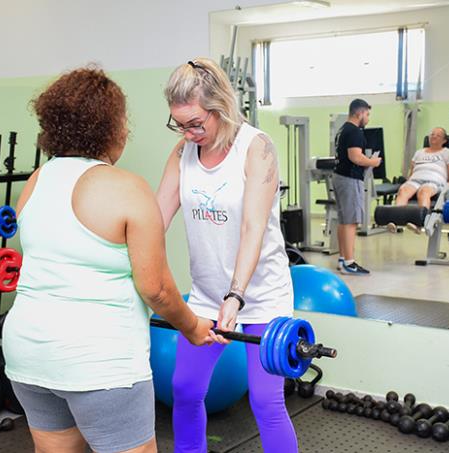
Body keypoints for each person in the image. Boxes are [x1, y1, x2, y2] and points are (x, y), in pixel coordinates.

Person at [1, 67, 214, 453]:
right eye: (123, 122)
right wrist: (193, 327)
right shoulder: (126, 187)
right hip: (100, 363)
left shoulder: (37, 180)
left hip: (28, 355)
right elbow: (158, 289)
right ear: (110, 128)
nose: (126, 131)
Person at [156, 58, 297, 453]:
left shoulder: (256, 147)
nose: (187, 133)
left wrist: (236, 295)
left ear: (221, 108)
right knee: (184, 391)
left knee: (266, 402)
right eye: (179, 124)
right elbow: (155, 220)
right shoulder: (183, 150)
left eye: (196, 123)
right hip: (205, 297)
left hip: (263, 297)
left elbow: (253, 227)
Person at [333, 98, 382, 275]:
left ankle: (342, 258)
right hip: (349, 179)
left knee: (344, 220)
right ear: (359, 113)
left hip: (340, 176)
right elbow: (356, 157)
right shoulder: (354, 131)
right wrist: (373, 162)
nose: (368, 118)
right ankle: (349, 262)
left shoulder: (342, 130)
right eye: (367, 114)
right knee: (351, 221)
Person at [387, 127, 449, 234]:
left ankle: (419, 223)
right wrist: (407, 183)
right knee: (403, 191)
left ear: (444, 140)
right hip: (415, 180)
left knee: (423, 192)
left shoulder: (448, 153)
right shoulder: (419, 152)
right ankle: (396, 221)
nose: (433, 136)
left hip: (434, 181)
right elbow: (412, 172)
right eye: (432, 134)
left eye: (437, 135)